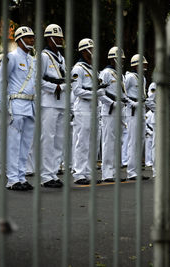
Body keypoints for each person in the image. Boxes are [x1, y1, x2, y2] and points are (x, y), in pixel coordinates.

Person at [0, 26, 36, 191]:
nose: (32, 40)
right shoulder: (11, 57)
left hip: (30, 105)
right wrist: (5, 105)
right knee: (13, 143)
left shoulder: (32, 60)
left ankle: (21, 176)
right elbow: (0, 81)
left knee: (25, 145)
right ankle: (12, 179)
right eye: (28, 37)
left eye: (32, 37)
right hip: (16, 104)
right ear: (19, 40)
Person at [71, 38, 103, 185]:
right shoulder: (78, 69)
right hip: (83, 108)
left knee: (93, 142)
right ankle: (79, 173)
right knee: (82, 142)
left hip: (94, 108)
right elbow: (77, 90)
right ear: (85, 51)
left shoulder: (93, 69)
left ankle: (89, 172)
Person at [40, 24, 67, 188]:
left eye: (60, 38)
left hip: (61, 101)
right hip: (48, 101)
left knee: (59, 139)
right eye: (56, 38)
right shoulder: (44, 56)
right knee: (48, 139)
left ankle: (54, 172)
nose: (59, 40)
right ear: (49, 39)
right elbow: (39, 79)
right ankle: (46, 175)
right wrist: (54, 87)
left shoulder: (61, 58)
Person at [99, 46, 126, 183]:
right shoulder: (106, 73)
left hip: (120, 110)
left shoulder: (120, 74)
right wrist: (111, 103)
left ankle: (115, 171)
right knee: (109, 142)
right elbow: (100, 92)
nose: (121, 61)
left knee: (118, 141)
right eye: (119, 58)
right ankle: (107, 173)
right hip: (109, 111)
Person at [125, 54, 150, 181]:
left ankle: (137, 170)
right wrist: (131, 103)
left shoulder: (143, 78)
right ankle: (131, 171)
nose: (145, 66)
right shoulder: (129, 77)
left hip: (141, 108)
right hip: (133, 110)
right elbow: (122, 93)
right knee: (133, 141)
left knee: (140, 141)